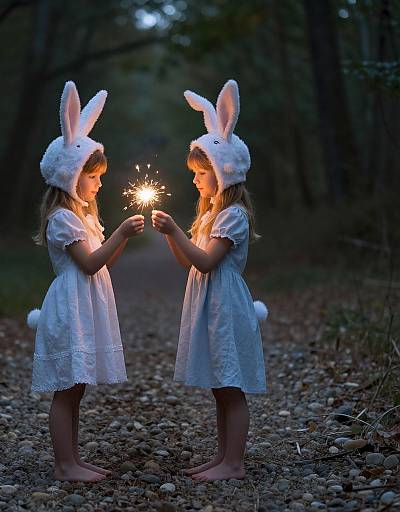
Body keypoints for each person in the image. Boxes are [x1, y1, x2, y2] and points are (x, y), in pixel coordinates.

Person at [28, 81, 144, 482]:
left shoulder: (84, 217)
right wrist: (122, 235)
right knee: (67, 388)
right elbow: (90, 264)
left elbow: (104, 258)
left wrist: (122, 239)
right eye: (91, 177)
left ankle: (73, 458)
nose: (98, 184)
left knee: (78, 388)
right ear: (70, 176)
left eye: (98, 177)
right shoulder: (62, 219)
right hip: (71, 304)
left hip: (86, 303)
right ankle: (64, 464)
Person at [152, 79, 267, 481]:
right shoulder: (210, 215)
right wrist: (171, 234)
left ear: (225, 171)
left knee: (231, 386)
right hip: (209, 302)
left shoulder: (233, 215)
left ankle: (233, 463)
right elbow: (189, 263)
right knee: (220, 384)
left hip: (226, 303)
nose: (197, 180)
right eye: (196, 173)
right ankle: (222, 456)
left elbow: (206, 262)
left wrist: (176, 232)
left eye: (204, 172)